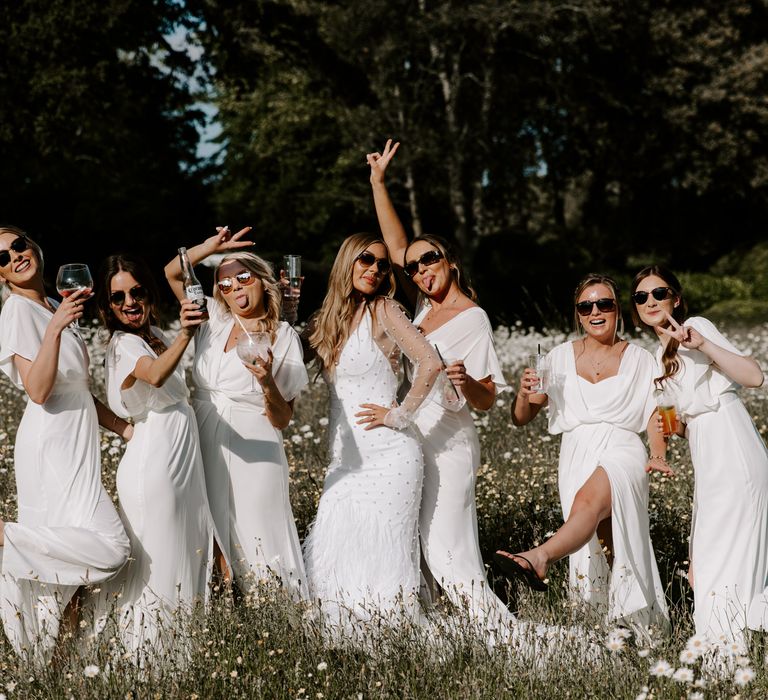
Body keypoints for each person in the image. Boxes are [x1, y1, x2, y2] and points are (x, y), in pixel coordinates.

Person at [367, 140, 512, 635]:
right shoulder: (424, 309)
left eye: (430, 261)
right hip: (412, 438)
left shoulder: (474, 317)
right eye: (413, 268)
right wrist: (378, 183)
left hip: (450, 441)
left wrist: (468, 380)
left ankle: (497, 631)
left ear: (449, 260)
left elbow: (489, 399)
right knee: (418, 540)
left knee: (446, 544)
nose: (421, 271)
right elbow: (396, 242)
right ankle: (450, 628)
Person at [496, 273, 669, 634]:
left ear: (617, 309)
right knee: (602, 541)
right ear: (577, 313)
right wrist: (524, 392)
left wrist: (658, 453)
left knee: (590, 504)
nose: (595, 311)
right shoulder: (556, 358)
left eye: (604, 303)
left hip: (623, 448)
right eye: (586, 305)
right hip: (576, 452)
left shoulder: (640, 359)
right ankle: (627, 628)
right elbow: (521, 418)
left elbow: (657, 413)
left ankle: (539, 557)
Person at [301, 233, 441, 636]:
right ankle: (342, 640)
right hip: (345, 461)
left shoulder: (384, 310)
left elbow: (430, 364)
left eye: (382, 265)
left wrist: (399, 415)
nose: (375, 270)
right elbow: (289, 357)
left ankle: (390, 638)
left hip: (389, 458)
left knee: (385, 556)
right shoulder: (325, 321)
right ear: (347, 262)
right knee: (336, 544)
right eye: (366, 260)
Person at [0, 225, 130, 660]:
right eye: (3, 258)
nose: (15, 256)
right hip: (50, 446)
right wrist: (55, 328)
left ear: (33, 245)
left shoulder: (54, 302)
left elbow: (77, 389)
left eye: (18, 245)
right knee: (111, 549)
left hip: (79, 439)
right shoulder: (18, 311)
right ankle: (6, 537)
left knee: (68, 569)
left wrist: (123, 427)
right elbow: (38, 389)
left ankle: (60, 663)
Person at [164, 228, 309, 599]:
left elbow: (282, 418)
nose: (234, 287)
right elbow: (173, 272)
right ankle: (222, 611)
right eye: (225, 283)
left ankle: (281, 615)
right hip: (204, 432)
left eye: (243, 278)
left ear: (263, 281)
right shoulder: (213, 319)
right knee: (209, 528)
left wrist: (266, 383)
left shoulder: (283, 336)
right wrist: (211, 247)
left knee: (260, 528)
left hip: (256, 443)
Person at [630, 265, 768, 642]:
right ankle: (727, 643)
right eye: (642, 297)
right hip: (705, 449)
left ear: (675, 298)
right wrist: (674, 430)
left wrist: (701, 344)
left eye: (659, 293)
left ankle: (723, 648)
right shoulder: (658, 356)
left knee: (724, 549)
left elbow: (754, 377)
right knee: (707, 555)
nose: (651, 301)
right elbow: (680, 419)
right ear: (636, 308)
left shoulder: (697, 327)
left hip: (732, 441)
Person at [95, 253, 219, 657]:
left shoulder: (156, 335)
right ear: (107, 307)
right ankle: (150, 657)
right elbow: (155, 374)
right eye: (118, 298)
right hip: (157, 463)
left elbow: (174, 269)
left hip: (181, 455)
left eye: (137, 291)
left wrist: (210, 246)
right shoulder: (123, 343)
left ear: (149, 294)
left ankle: (184, 650)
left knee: (187, 548)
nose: (129, 302)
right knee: (161, 559)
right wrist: (185, 333)